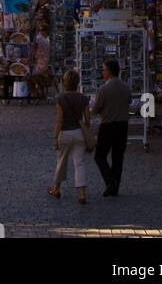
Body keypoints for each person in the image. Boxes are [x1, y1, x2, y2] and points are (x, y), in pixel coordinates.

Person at [49, 68, 90, 203]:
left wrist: (55, 137)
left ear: (65, 83)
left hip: (65, 133)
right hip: (79, 133)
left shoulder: (60, 99)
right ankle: (82, 193)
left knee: (61, 162)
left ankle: (57, 188)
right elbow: (87, 120)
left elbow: (59, 120)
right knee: (79, 163)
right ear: (77, 82)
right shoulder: (83, 98)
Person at [92, 58, 132, 197]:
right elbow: (129, 102)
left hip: (107, 125)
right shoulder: (126, 87)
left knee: (99, 156)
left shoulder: (104, 89)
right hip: (122, 125)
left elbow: (96, 109)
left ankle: (110, 181)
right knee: (118, 157)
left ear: (109, 72)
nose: (102, 72)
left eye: (103, 70)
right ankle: (115, 186)